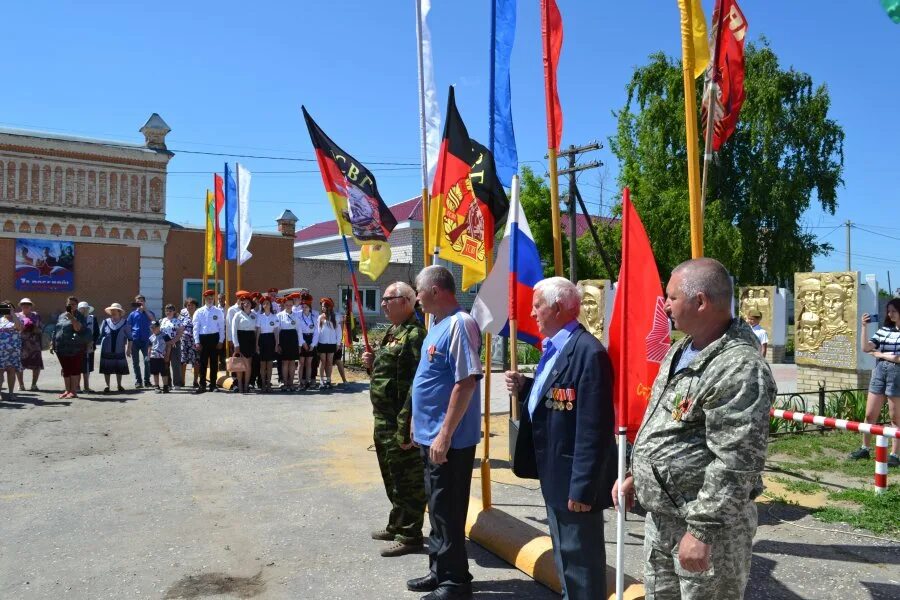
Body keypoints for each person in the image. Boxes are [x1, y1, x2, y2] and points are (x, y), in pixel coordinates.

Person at [613, 258, 776, 600]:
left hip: (707, 529)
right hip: (664, 519)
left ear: (700, 302)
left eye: (671, 297)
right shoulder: (681, 349)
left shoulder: (739, 367)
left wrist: (701, 532)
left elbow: (736, 462)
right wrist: (635, 475)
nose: (665, 305)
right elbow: (665, 424)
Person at [504, 277, 616, 600]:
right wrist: (526, 388)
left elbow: (593, 428)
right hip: (555, 478)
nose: (532, 312)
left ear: (556, 308)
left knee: (582, 568)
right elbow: (556, 401)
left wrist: (583, 488)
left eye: (537, 305)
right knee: (566, 563)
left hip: (574, 485)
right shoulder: (554, 348)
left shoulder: (588, 353)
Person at [406, 265, 482, 600]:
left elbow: (465, 382)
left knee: (448, 510)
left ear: (435, 290)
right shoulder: (436, 324)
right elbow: (430, 379)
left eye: (418, 291)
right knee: (437, 509)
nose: (417, 298)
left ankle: (455, 582)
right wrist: (417, 424)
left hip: (449, 442)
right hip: (430, 436)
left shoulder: (460, 324)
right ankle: (440, 570)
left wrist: (444, 435)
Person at [361, 282, 427, 557]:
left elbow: (416, 385)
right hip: (383, 417)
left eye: (389, 299)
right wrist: (371, 364)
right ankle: (397, 524)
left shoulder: (415, 335)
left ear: (407, 301)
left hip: (399, 419)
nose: (384, 304)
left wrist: (406, 424)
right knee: (391, 476)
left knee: (407, 479)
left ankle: (410, 534)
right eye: (384, 300)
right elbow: (388, 373)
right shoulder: (393, 331)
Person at [849, 298, 900, 467]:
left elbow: (898, 358)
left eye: (893, 310)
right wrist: (864, 327)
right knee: (870, 414)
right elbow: (866, 348)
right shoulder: (884, 330)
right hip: (879, 372)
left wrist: (882, 355)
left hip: (897, 375)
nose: (890, 314)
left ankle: (894, 454)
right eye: (888, 311)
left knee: (895, 417)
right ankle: (865, 448)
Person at [52, 296, 88, 399]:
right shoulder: (61, 316)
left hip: (75, 347)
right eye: (69, 304)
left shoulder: (80, 316)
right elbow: (57, 329)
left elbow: (78, 329)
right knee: (66, 369)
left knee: (75, 369)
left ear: (76, 305)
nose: (71, 306)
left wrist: (72, 318)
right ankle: (67, 390)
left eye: (73, 304)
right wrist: (52, 342)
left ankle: (74, 391)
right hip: (61, 347)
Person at [192, 290, 225, 393]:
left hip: (214, 338)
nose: (210, 300)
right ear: (204, 299)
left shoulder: (218, 311)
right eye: (208, 298)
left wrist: (221, 341)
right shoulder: (199, 311)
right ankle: (202, 384)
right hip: (203, 339)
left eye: (211, 298)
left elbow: (221, 328)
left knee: (215, 363)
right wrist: (197, 341)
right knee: (203, 363)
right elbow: (196, 328)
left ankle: (213, 385)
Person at [231, 293, 259, 394]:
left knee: (248, 365)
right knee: (239, 366)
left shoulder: (254, 316)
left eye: (248, 303)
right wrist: (236, 344)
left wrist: (256, 344)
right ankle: (240, 386)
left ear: (251, 304)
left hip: (250, 340)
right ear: (242, 305)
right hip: (241, 340)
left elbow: (257, 330)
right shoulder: (237, 315)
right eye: (244, 303)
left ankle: (246, 385)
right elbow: (233, 330)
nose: (246, 305)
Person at [99, 303, 129, 392]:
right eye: (111, 310)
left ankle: (119, 385)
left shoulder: (125, 323)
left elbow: (130, 337)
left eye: (114, 310)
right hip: (106, 349)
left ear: (119, 312)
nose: (112, 311)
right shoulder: (105, 322)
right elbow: (101, 335)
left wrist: (129, 349)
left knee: (119, 368)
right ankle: (107, 386)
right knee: (106, 368)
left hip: (119, 349)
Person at [126, 294, 154, 388]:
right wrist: (128, 344)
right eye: (138, 301)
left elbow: (153, 321)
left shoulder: (149, 312)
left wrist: (145, 310)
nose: (139, 302)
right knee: (135, 362)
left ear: (144, 302)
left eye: (141, 301)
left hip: (146, 340)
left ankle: (147, 381)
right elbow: (128, 328)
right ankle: (138, 381)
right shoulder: (132, 314)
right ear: (135, 302)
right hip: (135, 340)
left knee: (147, 361)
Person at [16, 298, 43, 392]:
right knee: (20, 365)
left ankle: (34, 385)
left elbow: (40, 329)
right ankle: (21, 385)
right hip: (21, 344)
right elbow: (14, 329)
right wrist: (22, 328)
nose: (25, 305)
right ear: (20, 305)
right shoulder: (17, 316)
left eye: (28, 304)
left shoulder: (36, 315)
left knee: (36, 365)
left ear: (31, 305)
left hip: (34, 344)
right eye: (23, 304)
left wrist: (34, 327)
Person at [0, 300, 24, 402]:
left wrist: (12, 314)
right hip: (1, 351)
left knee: (11, 371)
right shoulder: (0, 320)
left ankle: (11, 393)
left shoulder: (18, 319)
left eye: (9, 307)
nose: (7, 309)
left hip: (13, 351)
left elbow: (19, 328)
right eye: (4, 307)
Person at [277, 295, 302, 391]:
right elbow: (277, 331)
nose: (288, 306)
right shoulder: (279, 315)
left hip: (293, 339)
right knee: (284, 362)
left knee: (292, 362)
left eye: (290, 304)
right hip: (283, 339)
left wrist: (299, 345)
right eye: (287, 304)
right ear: (284, 305)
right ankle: (285, 383)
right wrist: (278, 344)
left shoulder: (296, 315)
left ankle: (291, 384)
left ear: (292, 305)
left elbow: (299, 330)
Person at [257, 297, 279, 392]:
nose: (266, 305)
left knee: (269, 364)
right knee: (262, 364)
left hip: (271, 340)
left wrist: (276, 344)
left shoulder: (274, 317)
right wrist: (256, 344)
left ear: (270, 305)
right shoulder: (259, 317)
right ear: (262, 305)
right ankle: (263, 384)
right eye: (264, 303)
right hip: (262, 339)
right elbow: (257, 331)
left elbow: (276, 332)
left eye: (268, 303)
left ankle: (268, 384)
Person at [161, 304, 186, 388]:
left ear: (174, 311)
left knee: (175, 364)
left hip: (175, 344)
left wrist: (172, 341)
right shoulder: (162, 321)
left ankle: (177, 383)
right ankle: (167, 383)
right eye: (167, 310)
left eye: (170, 311)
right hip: (164, 345)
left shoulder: (178, 321)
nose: (168, 312)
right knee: (165, 363)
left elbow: (180, 333)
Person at [297, 293, 318, 389]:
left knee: (309, 363)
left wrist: (313, 345)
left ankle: (308, 381)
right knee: (301, 363)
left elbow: (317, 332)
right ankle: (300, 381)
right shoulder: (298, 316)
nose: (304, 308)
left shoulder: (314, 316)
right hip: (302, 340)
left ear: (310, 307)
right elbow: (299, 331)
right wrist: (303, 343)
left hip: (311, 340)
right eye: (303, 306)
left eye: (306, 306)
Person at [78, 301, 100, 393]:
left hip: (90, 346)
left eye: (86, 308)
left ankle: (86, 386)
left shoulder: (93, 319)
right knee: (78, 366)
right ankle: (77, 386)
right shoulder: (76, 319)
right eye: (82, 309)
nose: (84, 310)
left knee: (88, 366)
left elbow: (97, 332)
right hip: (78, 347)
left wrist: (92, 342)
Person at [317, 297, 339, 389]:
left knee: (329, 362)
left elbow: (339, 331)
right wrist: (316, 343)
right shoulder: (320, 317)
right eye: (322, 306)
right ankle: (321, 381)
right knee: (323, 361)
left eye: (324, 306)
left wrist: (338, 343)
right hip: (322, 342)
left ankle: (329, 380)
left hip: (332, 343)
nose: (323, 308)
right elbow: (318, 331)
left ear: (329, 307)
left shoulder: (335, 317)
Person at [180, 298, 200, 389]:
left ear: (196, 306)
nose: (190, 306)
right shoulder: (183, 315)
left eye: (192, 305)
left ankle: (195, 381)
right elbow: (179, 327)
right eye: (188, 305)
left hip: (195, 341)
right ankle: (182, 381)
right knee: (183, 361)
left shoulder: (199, 315)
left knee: (196, 362)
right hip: (184, 341)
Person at [148, 321, 172, 393]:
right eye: (151, 328)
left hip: (162, 357)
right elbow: (149, 347)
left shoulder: (165, 335)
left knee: (164, 372)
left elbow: (169, 345)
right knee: (155, 372)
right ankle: (157, 386)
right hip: (153, 357)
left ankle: (165, 386)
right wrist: (148, 356)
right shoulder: (151, 337)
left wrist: (167, 355)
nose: (153, 329)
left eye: (154, 327)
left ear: (159, 327)